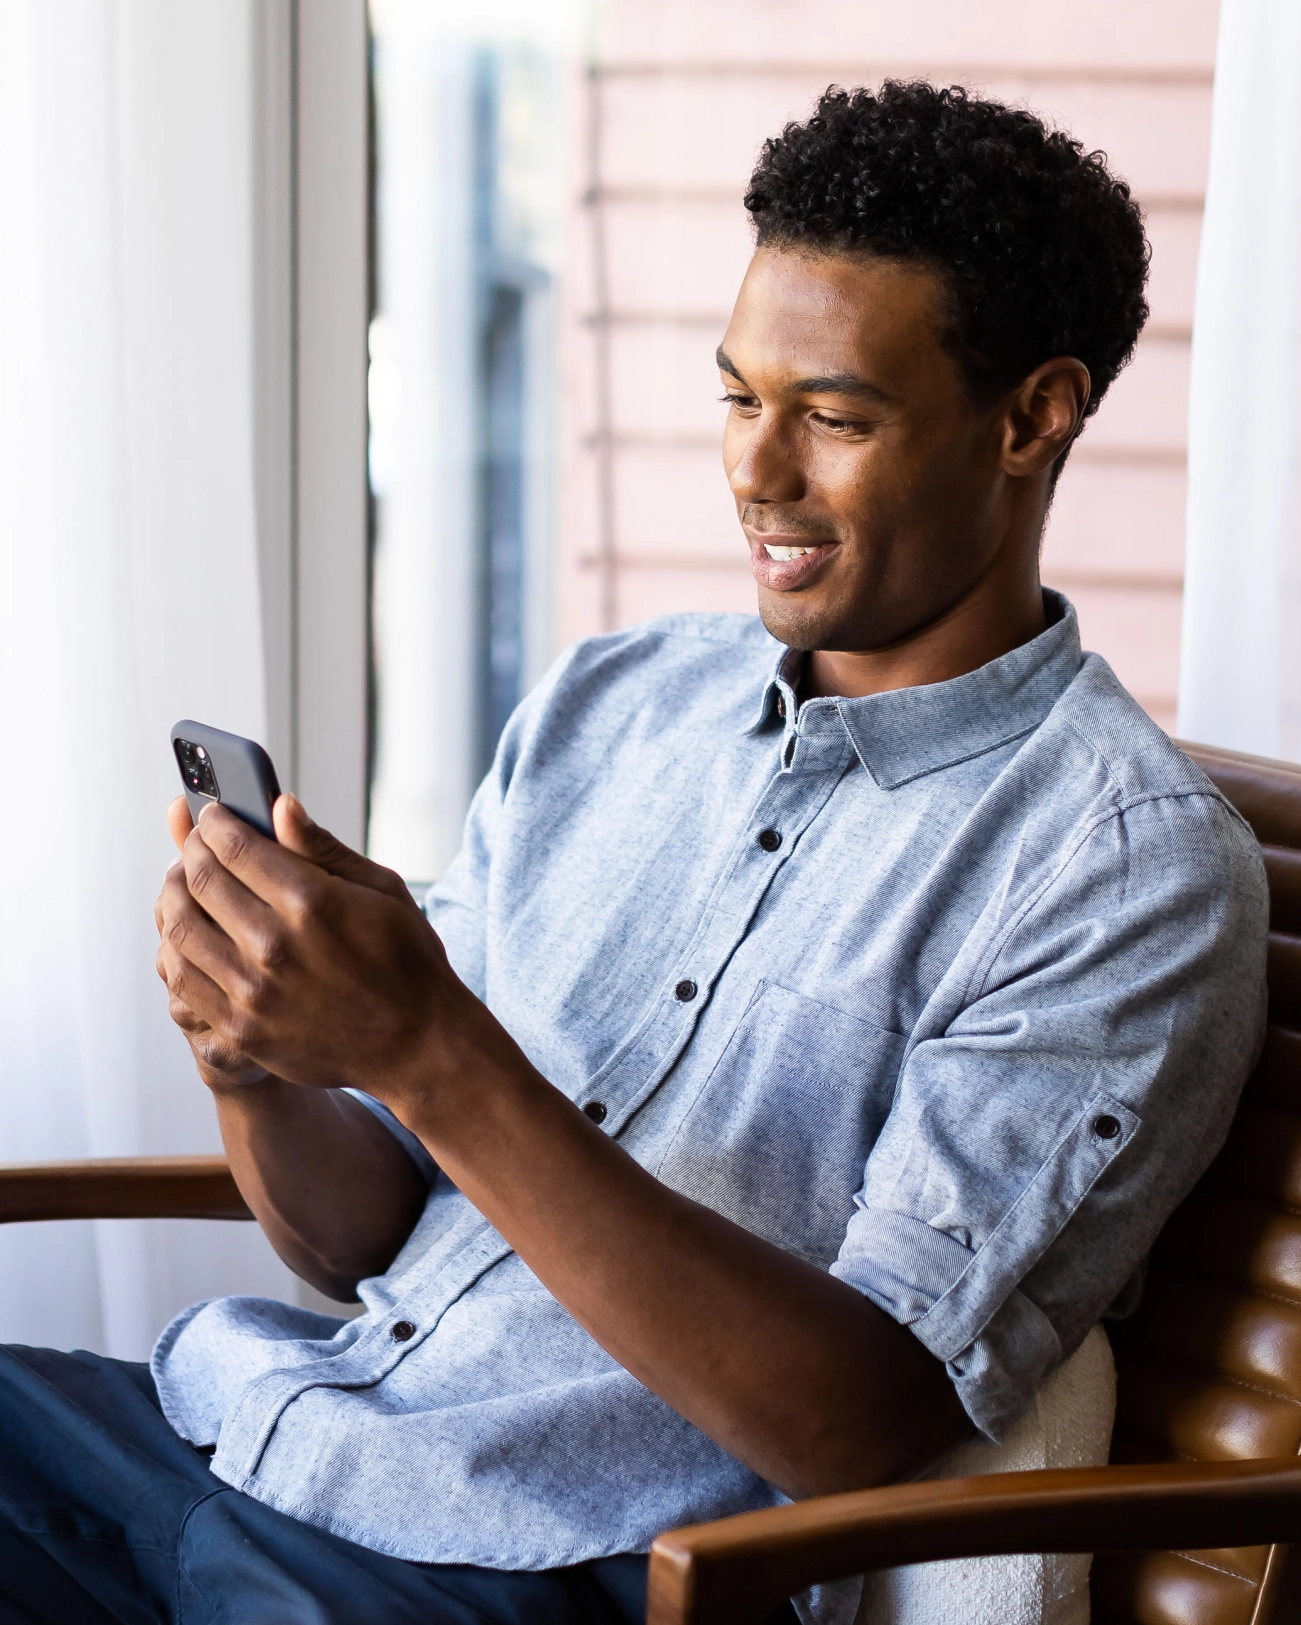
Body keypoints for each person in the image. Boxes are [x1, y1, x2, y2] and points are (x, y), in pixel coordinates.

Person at [2, 82, 1267, 1625]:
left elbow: (856, 1422)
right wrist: (255, 1049)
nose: (756, 471)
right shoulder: (611, 702)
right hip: (245, 1436)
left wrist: (433, 1046)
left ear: (1033, 417)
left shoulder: (1123, 875)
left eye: (835, 417)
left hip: (514, 1578)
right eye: (739, 397)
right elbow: (360, 1243)